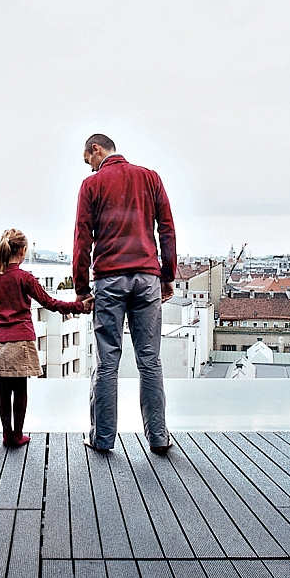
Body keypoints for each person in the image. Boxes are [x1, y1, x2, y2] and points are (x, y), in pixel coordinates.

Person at [73, 134, 177, 454]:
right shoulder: (150, 178)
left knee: (107, 362)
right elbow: (167, 228)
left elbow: (82, 238)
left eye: (88, 159)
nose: (90, 167)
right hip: (147, 278)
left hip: (110, 279)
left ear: (96, 149)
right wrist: (167, 275)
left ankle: (103, 439)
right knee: (150, 360)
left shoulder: (92, 185)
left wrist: (81, 289)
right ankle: (158, 437)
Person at [0, 228, 92, 447]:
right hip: (21, 340)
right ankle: (18, 435)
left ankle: (7, 435)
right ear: (23, 251)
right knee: (20, 388)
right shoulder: (25, 278)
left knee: (4, 389)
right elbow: (50, 303)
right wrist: (79, 306)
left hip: (0, 341)